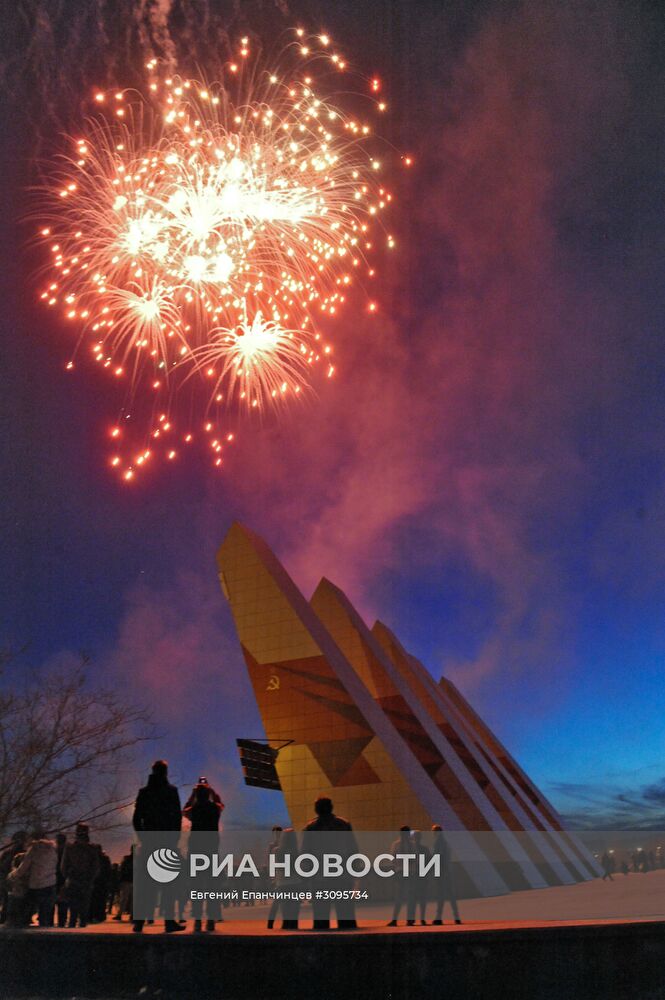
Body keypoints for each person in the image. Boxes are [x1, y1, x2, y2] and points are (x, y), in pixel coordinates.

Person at [132, 760, 184, 934]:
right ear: (165, 772)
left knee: (145, 885)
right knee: (168, 883)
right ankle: (169, 922)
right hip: (166, 841)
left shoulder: (144, 793)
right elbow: (177, 817)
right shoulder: (171, 792)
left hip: (149, 843)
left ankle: (138, 923)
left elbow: (136, 819)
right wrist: (174, 839)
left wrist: (143, 836)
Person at [302, 796, 357, 930]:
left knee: (320, 914)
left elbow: (306, 854)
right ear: (331, 807)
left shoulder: (310, 827)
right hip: (342, 875)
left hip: (319, 877)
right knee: (345, 913)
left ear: (316, 809)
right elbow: (353, 850)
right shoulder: (343, 824)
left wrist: (307, 875)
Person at [184, 783, 223, 932]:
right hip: (211, 850)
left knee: (197, 885)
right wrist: (213, 791)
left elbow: (184, 811)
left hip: (196, 850)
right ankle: (211, 919)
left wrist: (192, 795)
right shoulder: (214, 809)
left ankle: (198, 920)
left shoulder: (194, 809)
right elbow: (220, 804)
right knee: (212, 886)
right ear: (209, 795)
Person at [13, 829, 57, 927]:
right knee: (45, 911)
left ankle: (26, 931)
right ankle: (46, 931)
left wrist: (15, 875)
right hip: (50, 883)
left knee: (28, 907)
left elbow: (24, 867)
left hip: (36, 884)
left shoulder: (33, 849)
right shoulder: (52, 849)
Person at [61, 823, 100, 928]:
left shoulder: (70, 848)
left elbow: (63, 866)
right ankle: (82, 922)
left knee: (73, 903)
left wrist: (67, 876)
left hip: (73, 878)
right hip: (86, 879)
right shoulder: (92, 848)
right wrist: (91, 878)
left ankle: (72, 922)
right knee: (84, 903)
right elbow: (96, 867)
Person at [431, 824, 461, 925]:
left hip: (442, 872)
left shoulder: (438, 842)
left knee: (441, 895)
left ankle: (438, 917)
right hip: (448, 871)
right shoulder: (446, 843)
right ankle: (456, 917)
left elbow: (437, 857)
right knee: (451, 895)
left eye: (433, 831)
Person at [387, 827, 413, 926]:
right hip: (401, 872)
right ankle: (395, 919)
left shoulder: (411, 845)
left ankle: (409, 919)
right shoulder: (397, 845)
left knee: (409, 897)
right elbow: (392, 858)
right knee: (400, 897)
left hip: (408, 872)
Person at [0, 831, 27, 924]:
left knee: (11, 901)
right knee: (8, 900)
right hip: (9, 880)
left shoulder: (23, 853)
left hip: (15, 880)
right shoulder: (10, 853)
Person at [411, 830, 431, 925]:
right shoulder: (425, 849)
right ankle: (421, 919)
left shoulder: (411, 849)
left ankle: (414, 918)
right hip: (420, 876)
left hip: (417, 876)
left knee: (415, 899)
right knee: (420, 899)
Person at [266, 826, 283, 929]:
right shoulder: (272, 846)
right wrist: (272, 877)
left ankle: (270, 923)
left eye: (278, 833)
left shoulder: (283, 844)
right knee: (277, 901)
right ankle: (270, 923)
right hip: (278, 876)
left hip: (283, 874)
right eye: (275, 833)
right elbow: (271, 862)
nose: (277, 835)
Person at [114, 849, 134, 921]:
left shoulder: (126, 859)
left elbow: (122, 870)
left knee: (124, 899)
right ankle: (132, 915)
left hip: (126, 880)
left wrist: (120, 880)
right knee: (133, 899)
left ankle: (120, 914)